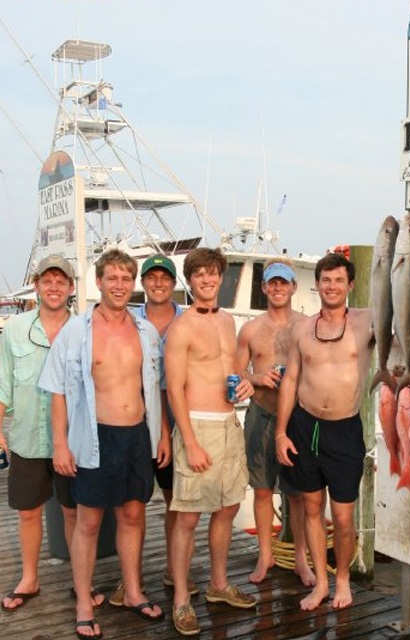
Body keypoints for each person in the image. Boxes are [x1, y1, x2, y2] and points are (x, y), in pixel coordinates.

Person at [39, 249, 170, 640]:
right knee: (89, 522)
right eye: (112, 278)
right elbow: (57, 392)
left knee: (132, 516)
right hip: (94, 436)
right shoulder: (76, 331)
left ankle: (132, 591)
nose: (119, 285)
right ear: (98, 282)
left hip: (137, 436)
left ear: (133, 284)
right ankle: (83, 602)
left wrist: (162, 433)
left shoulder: (145, 331)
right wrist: (61, 446)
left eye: (126, 279)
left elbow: (156, 389)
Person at [0, 255, 104, 611]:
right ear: (37, 285)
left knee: (74, 513)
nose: (54, 287)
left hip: (73, 442)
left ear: (71, 287)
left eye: (61, 281)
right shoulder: (14, 328)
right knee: (27, 512)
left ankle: (81, 582)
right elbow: (3, 384)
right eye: (48, 280)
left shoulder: (86, 330)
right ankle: (29, 579)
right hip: (27, 438)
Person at [165, 247, 256, 637]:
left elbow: (231, 369)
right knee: (187, 517)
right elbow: (174, 389)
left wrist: (247, 381)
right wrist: (189, 442)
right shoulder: (181, 327)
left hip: (229, 425)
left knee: (228, 507)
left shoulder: (228, 320)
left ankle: (218, 584)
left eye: (212, 272)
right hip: (197, 428)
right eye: (199, 274)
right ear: (190, 280)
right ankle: (180, 599)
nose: (207, 279)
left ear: (221, 276)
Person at [276, 252, 374, 611]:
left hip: (345, 429)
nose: (332, 286)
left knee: (344, 518)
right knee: (312, 507)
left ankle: (342, 579)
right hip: (305, 427)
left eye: (339, 281)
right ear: (317, 285)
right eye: (326, 280)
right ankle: (321, 583)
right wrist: (281, 433)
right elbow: (290, 380)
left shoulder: (367, 322)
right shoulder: (302, 329)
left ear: (351, 285)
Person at [108, 254, 198, 607]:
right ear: (142, 283)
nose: (158, 283)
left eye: (164, 278)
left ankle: (175, 570)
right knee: (133, 505)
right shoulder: (128, 320)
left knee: (177, 500)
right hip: (135, 424)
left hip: (180, 423)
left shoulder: (188, 320)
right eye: (151, 277)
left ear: (174, 283)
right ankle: (132, 577)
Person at [236, 258, 315, 586]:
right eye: (273, 283)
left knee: (296, 494)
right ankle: (265, 554)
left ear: (294, 287)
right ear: (264, 287)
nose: (278, 288)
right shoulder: (250, 329)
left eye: (284, 282)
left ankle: (301, 559)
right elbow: (237, 371)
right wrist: (257, 378)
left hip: (297, 417)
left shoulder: (307, 325)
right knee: (262, 490)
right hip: (261, 414)